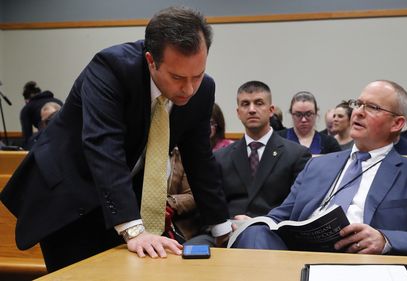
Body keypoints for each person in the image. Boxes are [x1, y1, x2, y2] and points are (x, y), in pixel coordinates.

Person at [1, 7, 230, 272]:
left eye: (198, 75)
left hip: (120, 198)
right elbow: (102, 146)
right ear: (150, 60)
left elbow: (200, 158)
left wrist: (222, 228)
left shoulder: (204, 90)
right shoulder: (111, 67)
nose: (189, 89)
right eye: (177, 77)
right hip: (70, 192)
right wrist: (134, 230)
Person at [233, 80, 407, 258]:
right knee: (254, 233)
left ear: (397, 124)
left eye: (373, 108)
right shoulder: (318, 165)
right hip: (300, 257)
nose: (358, 112)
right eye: (358, 104)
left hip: (362, 264)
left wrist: (384, 239)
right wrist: (253, 222)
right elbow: (282, 215)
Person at [187, 81, 311, 245]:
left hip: (271, 233)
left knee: (254, 239)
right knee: (190, 250)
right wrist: (221, 227)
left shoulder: (296, 155)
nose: (252, 109)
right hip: (224, 234)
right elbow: (208, 205)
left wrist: (258, 222)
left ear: (271, 110)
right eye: (245, 104)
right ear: (238, 112)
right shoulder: (220, 157)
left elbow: (299, 208)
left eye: (259, 103)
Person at [19, 81, 63, 147]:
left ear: (26, 100)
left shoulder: (27, 108)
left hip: (45, 142)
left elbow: (27, 136)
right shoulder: (58, 101)